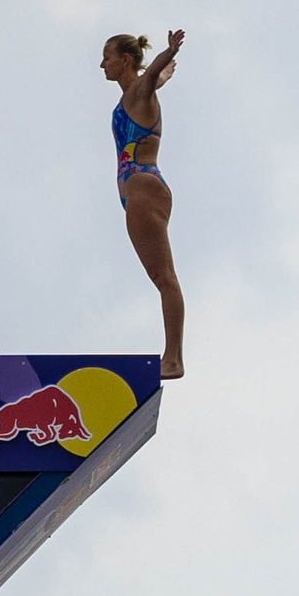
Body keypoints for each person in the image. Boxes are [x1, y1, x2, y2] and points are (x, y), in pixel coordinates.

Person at [104, 29, 187, 379]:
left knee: (164, 277)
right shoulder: (134, 96)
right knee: (159, 276)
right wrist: (168, 69)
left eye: (106, 57)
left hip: (142, 185)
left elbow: (153, 75)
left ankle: (173, 358)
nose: (101, 65)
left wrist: (167, 54)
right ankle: (172, 356)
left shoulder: (140, 88)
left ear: (125, 60)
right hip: (136, 191)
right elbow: (160, 78)